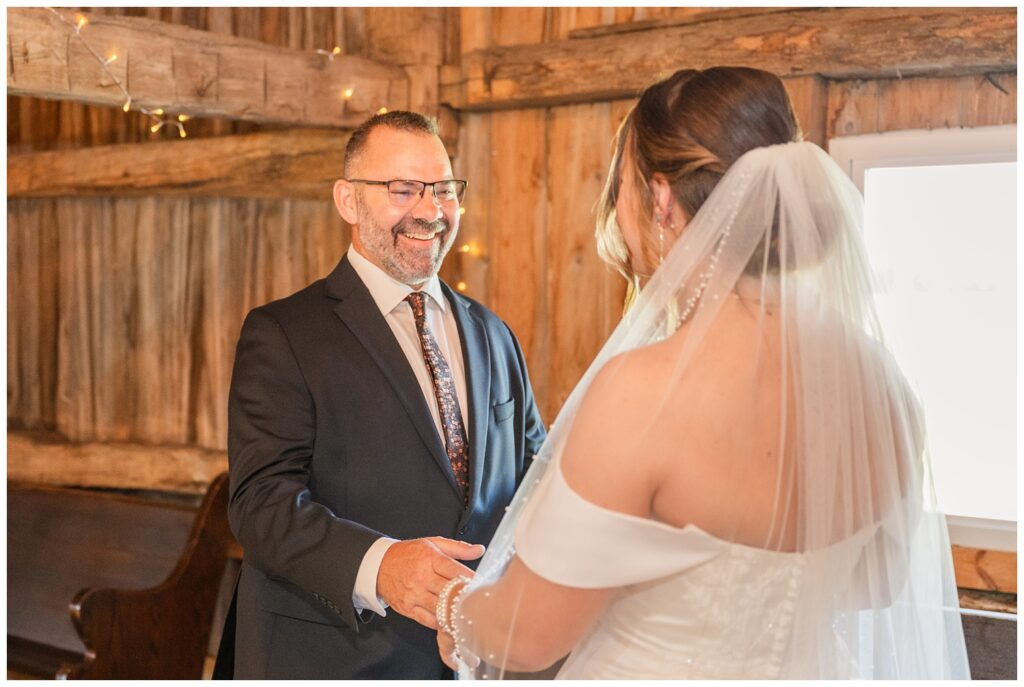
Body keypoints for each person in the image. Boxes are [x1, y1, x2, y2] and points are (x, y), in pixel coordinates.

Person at [435, 67, 969, 679]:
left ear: (662, 199)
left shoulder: (645, 393)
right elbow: (874, 584)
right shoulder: (887, 388)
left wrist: (454, 605)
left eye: (627, 190)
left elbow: (528, 637)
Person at [216, 110, 546, 679]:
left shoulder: (494, 333)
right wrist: (381, 566)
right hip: (334, 658)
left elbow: (534, 482)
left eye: (443, 189)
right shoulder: (284, 332)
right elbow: (260, 503)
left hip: (472, 661)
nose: (430, 210)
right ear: (348, 201)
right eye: (402, 189)